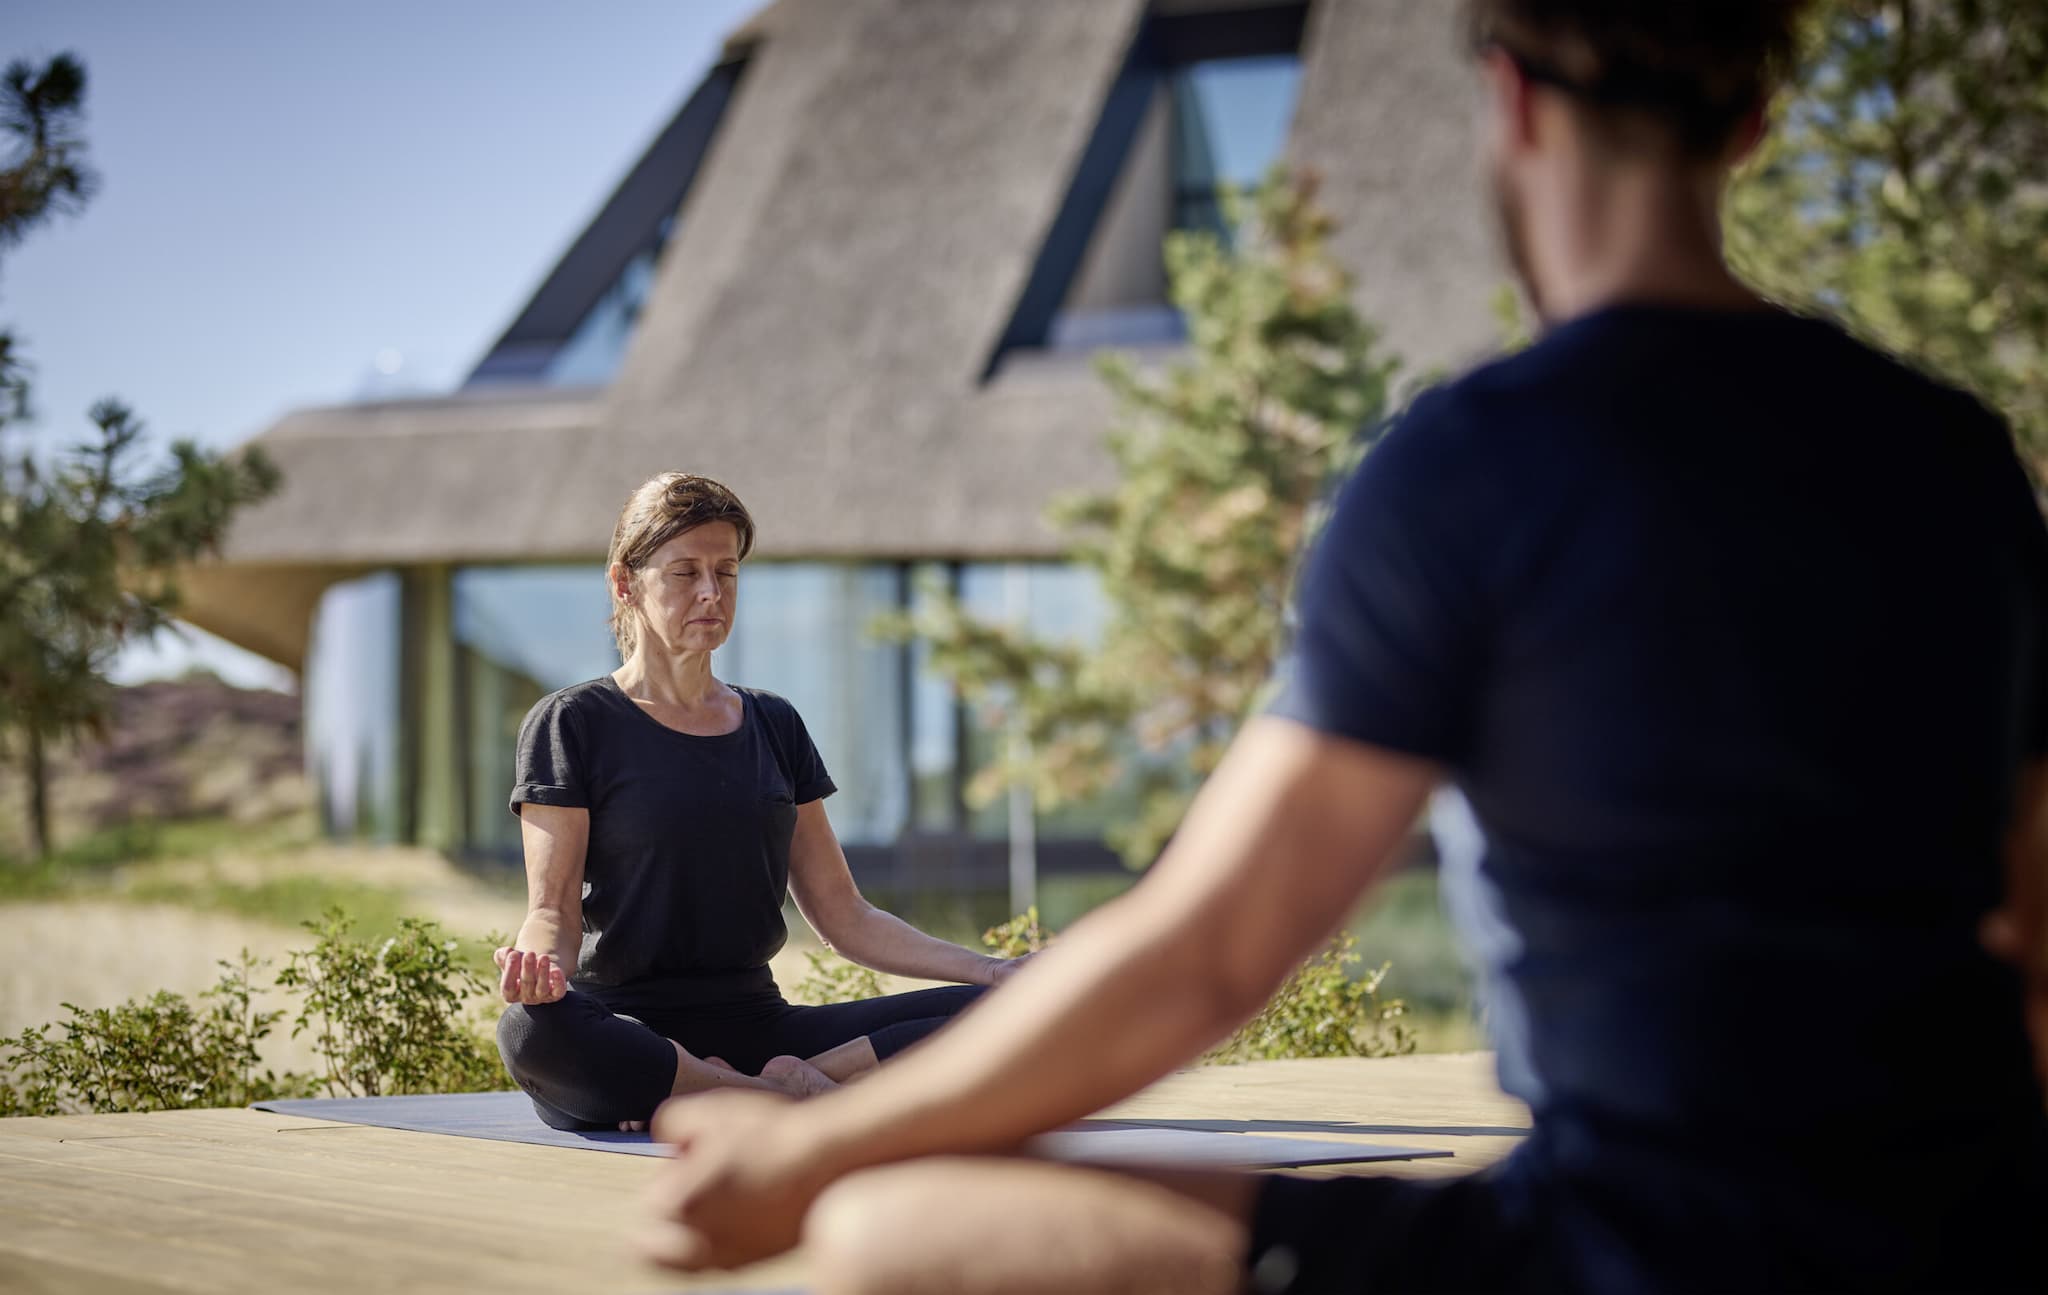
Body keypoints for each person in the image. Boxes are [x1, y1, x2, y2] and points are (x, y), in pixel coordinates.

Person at [637, 2, 2048, 1290]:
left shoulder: (1475, 467)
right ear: (1749, 126)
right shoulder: (1955, 457)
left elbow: (1212, 948)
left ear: (1510, 99)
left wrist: (816, 1154)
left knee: (897, 1235)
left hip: (1625, 1243)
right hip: (1972, 1217)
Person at [493, 471, 1025, 1132]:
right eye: (685, 572)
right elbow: (553, 910)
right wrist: (539, 970)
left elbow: (844, 915)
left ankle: (715, 1093)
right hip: (627, 1031)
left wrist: (994, 968)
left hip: (761, 1026)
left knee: (1014, 1008)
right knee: (529, 1030)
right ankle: (764, 1091)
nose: (711, 593)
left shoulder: (774, 723)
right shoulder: (572, 722)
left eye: (727, 571)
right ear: (626, 583)